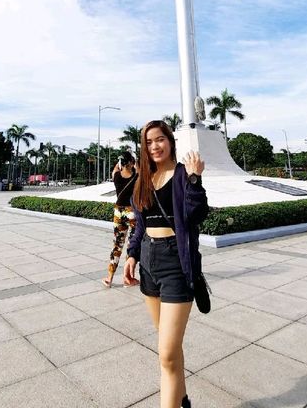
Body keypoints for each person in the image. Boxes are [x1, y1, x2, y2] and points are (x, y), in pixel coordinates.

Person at [123, 120, 208, 408]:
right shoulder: (144, 179)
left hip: (175, 262)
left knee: (167, 354)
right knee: (168, 349)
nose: (155, 146)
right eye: (148, 142)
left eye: (159, 139)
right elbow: (139, 225)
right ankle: (182, 400)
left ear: (170, 141)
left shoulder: (183, 174)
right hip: (148, 261)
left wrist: (195, 180)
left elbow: (196, 215)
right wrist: (132, 255)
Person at [102, 151, 138, 288]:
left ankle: (109, 278)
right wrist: (135, 164)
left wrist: (120, 163)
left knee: (117, 245)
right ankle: (127, 278)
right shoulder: (136, 176)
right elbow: (140, 168)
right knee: (131, 246)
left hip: (118, 212)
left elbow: (115, 169)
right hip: (132, 212)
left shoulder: (116, 176)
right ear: (131, 162)